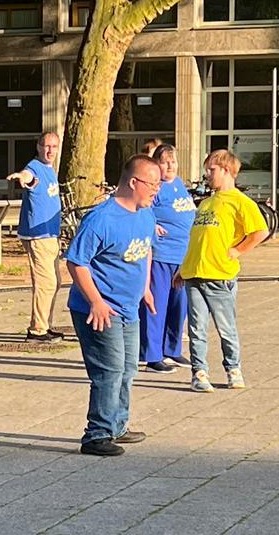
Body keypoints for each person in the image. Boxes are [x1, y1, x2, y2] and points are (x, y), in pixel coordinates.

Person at [66, 154, 159, 456]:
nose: (157, 189)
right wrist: (96, 301)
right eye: (152, 184)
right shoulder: (102, 219)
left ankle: (117, 424)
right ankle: (96, 435)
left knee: (129, 367)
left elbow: (145, 251)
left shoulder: (146, 214)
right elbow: (76, 262)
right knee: (110, 369)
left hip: (130, 307)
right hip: (98, 309)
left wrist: (144, 288)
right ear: (134, 182)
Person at [175, 150, 269, 393]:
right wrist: (183, 267)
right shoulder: (206, 203)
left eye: (211, 170)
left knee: (226, 326)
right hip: (195, 273)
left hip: (220, 274)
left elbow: (260, 231)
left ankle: (233, 368)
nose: (207, 175)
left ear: (227, 171)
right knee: (196, 327)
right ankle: (199, 371)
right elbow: (197, 239)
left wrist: (237, 250)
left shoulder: (240, 202)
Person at [138, 144, 195, 373]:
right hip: (162, 255)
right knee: (156, 305)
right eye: (165, 162)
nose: (170, 166)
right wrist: (153, 224)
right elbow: (141, 209)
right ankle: (152, 355)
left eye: (173, 161)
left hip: (183, 255)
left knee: (178, 305)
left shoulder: (179, 185)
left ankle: (171, 349)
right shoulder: (155, 188)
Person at [6, 131, 63, 343]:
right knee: (45, 282)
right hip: (38, 235)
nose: (50, 151)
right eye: (46, 146)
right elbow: (29, 177)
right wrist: (22, 177)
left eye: (54, 147)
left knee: (54, 282)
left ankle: (45, 324)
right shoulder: (35, 167)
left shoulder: (50, 170)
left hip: (50, 233)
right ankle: (37, 330)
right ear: (38, 147)